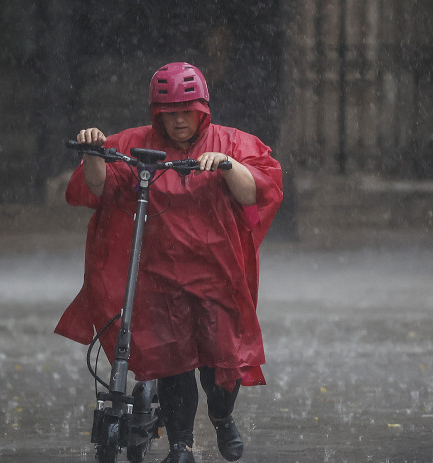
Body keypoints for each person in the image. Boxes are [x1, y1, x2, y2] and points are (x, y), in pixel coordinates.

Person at [55, 62, 283, 463]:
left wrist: (228, 166)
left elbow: (255, 193)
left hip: (218, 276)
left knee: (219, 363)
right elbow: (99, 185)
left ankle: (222, 418)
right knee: (175, 364)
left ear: (203, 108)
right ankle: (182, 445)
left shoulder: (233, 142)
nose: (179, 120)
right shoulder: (137, 143)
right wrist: (93, 151)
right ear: (156, 113)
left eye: (187, 111)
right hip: (161, 278)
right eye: (169, 112)